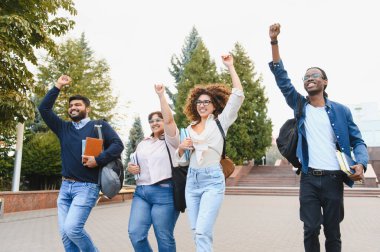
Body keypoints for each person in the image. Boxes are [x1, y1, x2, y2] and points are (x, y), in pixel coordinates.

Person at [268, 23, 369, 252]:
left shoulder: (341, 111)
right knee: (311, 228)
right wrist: (274, 42)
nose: (309, 78)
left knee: (333, 231)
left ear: (325, 82)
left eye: (314, 75)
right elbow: (282, 79)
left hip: (334, 180)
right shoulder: (300, 106)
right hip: (309, 179)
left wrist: (361, 162)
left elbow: (357, 141)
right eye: (305, 77)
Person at [38, 75, 124, 252]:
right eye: (70, 106)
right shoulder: (64, 128)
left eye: (77, 105)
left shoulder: (98, 126)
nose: (73, 108)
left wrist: (98, 159)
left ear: (87, 108)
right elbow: (44, 109)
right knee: (65, 235)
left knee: (72, 229)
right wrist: (57, 86)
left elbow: (118, 145)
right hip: (65, 188)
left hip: (87, 187)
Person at [176, 54, 245, 252]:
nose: (202, 105)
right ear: (194, 106)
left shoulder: (220, 122)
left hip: (212, 180)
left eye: (206, 102)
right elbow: (180, 162)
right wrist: (181, 148)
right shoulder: (188, 129)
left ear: (214, 105)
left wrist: (230, 66)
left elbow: (238, 95)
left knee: (202, 232)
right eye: (199, 102)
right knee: (197, 230)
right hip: (192, 181)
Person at [127, 84, 180, 252]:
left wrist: (161, 95)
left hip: (164, 192)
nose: (154, 123)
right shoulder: (143, 143)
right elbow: (136, 162)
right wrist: (131, 167)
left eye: (158, 120)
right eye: (151, 121)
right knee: (135, 233)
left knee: (163, 235)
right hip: (141, 192)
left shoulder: (171, 140)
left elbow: (170, 120)